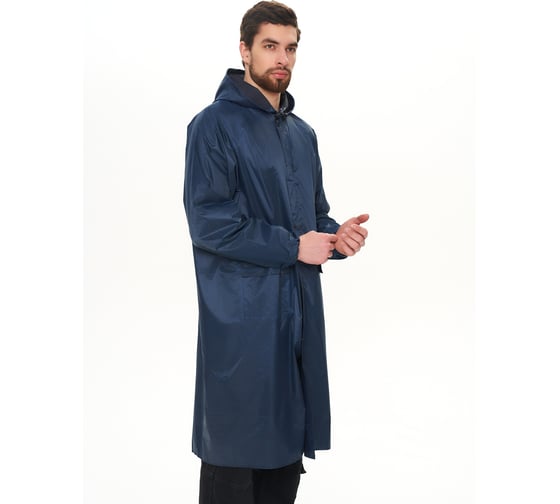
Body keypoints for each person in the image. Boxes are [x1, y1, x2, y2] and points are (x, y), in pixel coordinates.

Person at [183, 2, 369, 502]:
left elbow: (312, 218)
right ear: (244, 51)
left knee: (284, 462)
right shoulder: (213, 125)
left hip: (297, 321)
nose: (282, 58)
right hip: (242, 324)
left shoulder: (302, 134)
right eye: (270, 46)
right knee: (234, 457)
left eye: (290, 48)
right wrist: (294, 246)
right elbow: (210, 223)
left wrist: (337, 238)